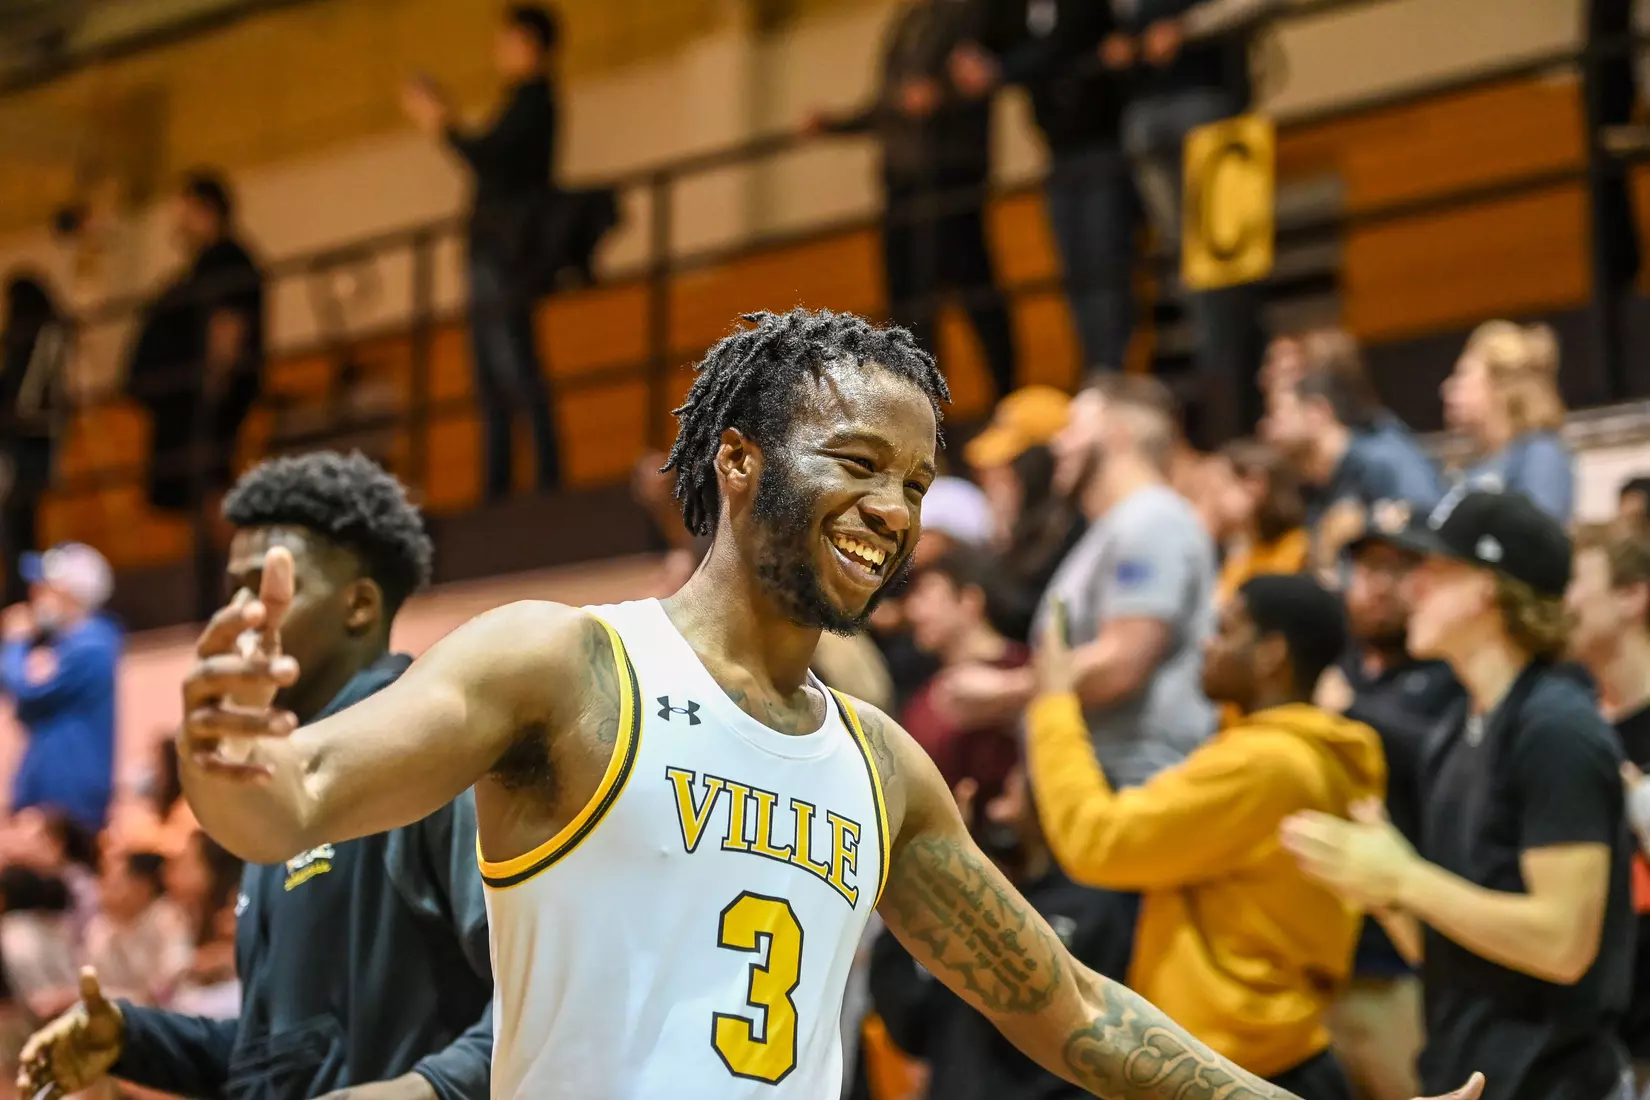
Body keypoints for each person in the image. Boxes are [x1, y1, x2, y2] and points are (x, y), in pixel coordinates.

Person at [146, 308, 1482, 1100]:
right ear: (736, 462)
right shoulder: (559, 663)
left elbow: (1067, 1006)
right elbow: (295, 800)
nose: (894, 510)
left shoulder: (882, 763)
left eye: (914, 479)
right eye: (856, 463)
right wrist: (228, 756)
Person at [19, 452, 494, 1100]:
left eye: (266, 588)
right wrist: (133, 1037)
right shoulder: (272, 782)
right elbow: (275, 1057)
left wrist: (426, 1089)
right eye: (232, 592)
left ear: (358, 605)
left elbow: (539, 994)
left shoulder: (437, 749)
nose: (240, 615)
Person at [1283, 488, 1633, 1100]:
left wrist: (1403, 880)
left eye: (1433, 569)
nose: (1412, 588)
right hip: (1462, 1077)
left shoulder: (1556, 728)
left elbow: (1563, 944)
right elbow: (1444, 953)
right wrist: (1381, 891)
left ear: (1487, 590)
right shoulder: (1456, 728)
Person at [1027, 573, 1381, 1098]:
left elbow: (1095, 840)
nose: (1207, 644)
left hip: (1239, 1065)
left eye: (1226, 629)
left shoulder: (1268, 764)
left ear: (1271, 653)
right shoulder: (1302, 755)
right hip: (1262, 1054)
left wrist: (1054, 701)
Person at [937, 372, 1217, 789]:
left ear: (1116, 431)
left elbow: (1122, 662)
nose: (1058, 443)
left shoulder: (1152, 520)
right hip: (1103, 785)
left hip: (1139, 784)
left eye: (1074, 428)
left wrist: (1003, 691)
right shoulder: (1114, 530)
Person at [869, 766, 1135, 1100]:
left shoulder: (1095, 907)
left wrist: (954, 867)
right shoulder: (987, 902)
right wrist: (917, 878)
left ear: (1048, 807)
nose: (994, 811)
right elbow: (911, 1023)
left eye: (1010, 796)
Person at [1314, 512, 1464, 1100]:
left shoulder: (1448, 671)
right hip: (1319, 957)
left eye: (1399, 569)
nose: (1378, 584)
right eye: (1368, 568)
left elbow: (1438, 757)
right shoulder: (1339, 664)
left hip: (1405, 959)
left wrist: (1353, 713)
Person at [810, 0, 1018, 397]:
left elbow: (985, 73)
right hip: (903, 182)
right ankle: (920, 405)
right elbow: (892, 102)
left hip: (950, 172)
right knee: (908, 302)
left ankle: (1004, 391)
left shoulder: (972, 12)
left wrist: (942, 91)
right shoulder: (908, 19)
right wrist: (836, 125)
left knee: (972, 285)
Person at [403, 4, 562, 498]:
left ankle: (540, 476)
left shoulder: (536, 103)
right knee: (490, 371)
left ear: (529, 44)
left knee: (511, 363)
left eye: (507, 41)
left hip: (503, 253)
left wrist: (444, 123)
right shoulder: (524, 102)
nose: (499, 51)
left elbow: (491, 160)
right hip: (494, 250)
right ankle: (499, 480)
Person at [1104, 0, 1278, 443]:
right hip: (1144, 108)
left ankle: (1241, 421)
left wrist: (1186, 27)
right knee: (1194, 279)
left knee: (1228, 280)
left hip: (1214, 101)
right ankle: (1226, 420)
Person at [950, 0, 1135, 371]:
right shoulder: (1015, 10)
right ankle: (1097, 371)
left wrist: (1002, 69)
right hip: (1057, 152)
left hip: (1104, 141)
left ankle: (1113, 369)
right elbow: (988, 39)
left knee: (1105, 264)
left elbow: (1068, 42)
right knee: (1075, 274)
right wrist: (968, 56)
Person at [125, 170, 265, 514]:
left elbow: (227, 327)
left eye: (185, 213)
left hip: (200, 400)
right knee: (200, 486)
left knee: (211, 483)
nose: (179, 224)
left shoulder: (226, 260)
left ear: (207, 211)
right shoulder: (205, 266)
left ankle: (230, 561)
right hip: (186, 400)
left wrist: (212, 389)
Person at [1567, 525, 1650, 1088]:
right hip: (1608, 1031)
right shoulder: (1572, 719)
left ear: (1632, 595)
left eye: (1573, 581)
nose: (1560, 600)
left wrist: (1632, 795)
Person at [1263, 330, 1441, 574]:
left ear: (1318, 410)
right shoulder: (1316, 484)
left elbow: (1433, 525)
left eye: (1277, 410)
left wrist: (1366, 524)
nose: (1266, 426)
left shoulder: (1380, 457)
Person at [0, 542, 120, 830]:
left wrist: (15, 644)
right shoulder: (64, 646)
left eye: (44, 586)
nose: (34, 595)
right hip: (47, 793)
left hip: (69, 800)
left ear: (71, 593)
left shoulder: (92, 644)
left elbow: (29, 691)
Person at [900, 544, 1027, 808]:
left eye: (926, 595)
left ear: (969, 601)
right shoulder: (922, 700)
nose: (913, 610)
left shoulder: (1027, 672)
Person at [1440, 321, 1573, 523]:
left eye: (1462, 376)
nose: (1446, 389)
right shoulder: (1472, 463)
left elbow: (1538, 540)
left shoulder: (1540, 454)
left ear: (1501, 385)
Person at [0, 272, 69, 606]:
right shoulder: (33, 335)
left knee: (19, 525)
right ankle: (20, 595)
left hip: (29, 443)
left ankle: (21, 597)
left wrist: (13, 411)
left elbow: (28, 397)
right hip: (28, 443)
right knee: (18, 526)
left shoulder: (43, 334)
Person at [1206, 439, 1308, 608]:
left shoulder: (1296, 546)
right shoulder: (1239, 542)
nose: (1213, 498)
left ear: (1256, 485)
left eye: (1224, 484)